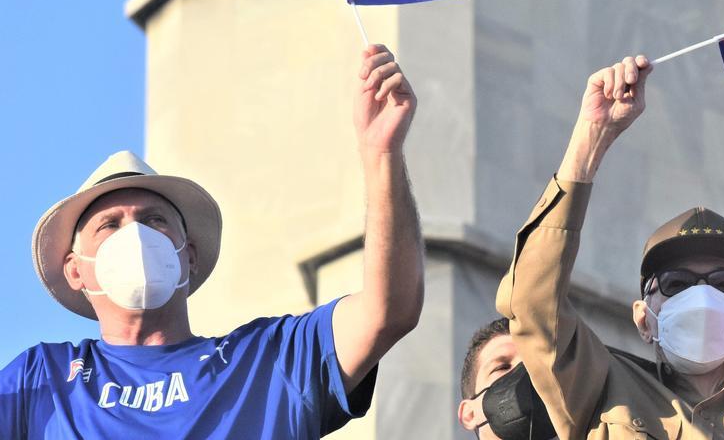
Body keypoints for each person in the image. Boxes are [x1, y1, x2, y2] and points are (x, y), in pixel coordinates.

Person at [0, 44, 424, 438]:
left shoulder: (270, 361)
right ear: (75, 270)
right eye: (109, 225)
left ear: (191, 257)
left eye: (154, 219)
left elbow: (390, 309)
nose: (136, 235)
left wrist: (381, 154)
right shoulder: (40, 380)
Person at [458, 56, 724, 439]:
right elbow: (530, 301)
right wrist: (591, 138)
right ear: (644, 320)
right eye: (677, 284)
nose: (702, 297)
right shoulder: (598, 390)